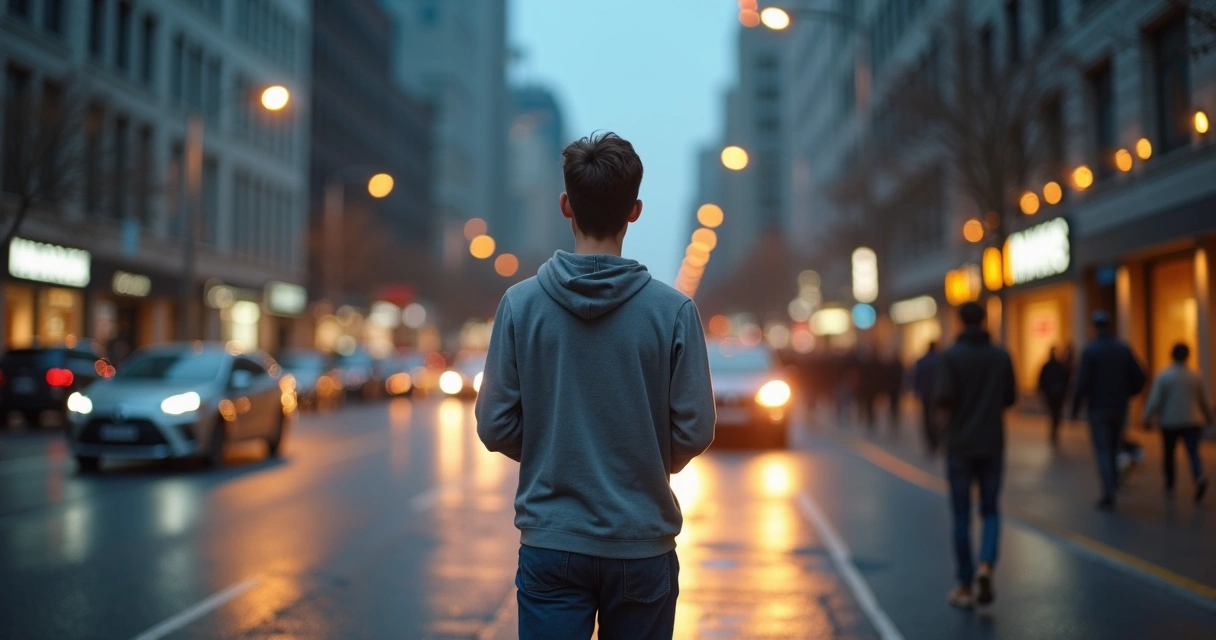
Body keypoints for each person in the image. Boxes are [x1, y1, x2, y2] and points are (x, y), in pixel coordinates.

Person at [475, 132, 716, 640]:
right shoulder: (673, 311)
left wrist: (554, 450)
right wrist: (642, 455)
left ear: (566, 205)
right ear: (635, 211)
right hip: (642, 544)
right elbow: (695, 428)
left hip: (551, 542)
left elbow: (494, 423)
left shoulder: (520, 305)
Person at [934, 302, 1016, 610]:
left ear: (959, 321)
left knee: (960, 515)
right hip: (992, 442)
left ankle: (965, 585)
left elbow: (943, 397)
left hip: (959, 445)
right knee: (991, 509)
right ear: (984, 321)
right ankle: (986, 565)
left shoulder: (951, 356)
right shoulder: (1000, 355)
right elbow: (1010, 397)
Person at [1071, 311, 1147, 511]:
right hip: (1119, 406)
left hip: (1098, 408)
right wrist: (1127, 393)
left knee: (1103, 450)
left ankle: (1108, 491)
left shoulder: (1090, 351)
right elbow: (1140, 376)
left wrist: (1075, 408)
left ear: (1094, 327)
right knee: (1114, 447)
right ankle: (1113, 482)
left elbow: (1081, 383)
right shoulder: (1122, 349)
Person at [1142, 343, 1213, 502]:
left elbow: (1155, 399)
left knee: (1169, 453)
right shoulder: (1195, 376)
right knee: (1193, 452)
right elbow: (1204, 400)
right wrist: (1209, 417)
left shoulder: (1164, 375)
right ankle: (1198, 476)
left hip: (1170, 421)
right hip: (1192, 421)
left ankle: (1169, 482)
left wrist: (1147, 417)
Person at [1037, 347, 1070, 445]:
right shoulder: (1058, 366)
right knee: (1056, 412)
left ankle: (1054, 430)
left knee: (1054, 412)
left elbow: (1041, 380)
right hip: (1056, 393)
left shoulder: (1048, 366)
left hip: (1052, 393)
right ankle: (1054, 429)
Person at [914, 342, 942, 454]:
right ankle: (936, 440)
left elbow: (917, 377)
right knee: (937, 417)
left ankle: (930, 440)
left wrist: (917, 391)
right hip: (938, 394)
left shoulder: (922, 361)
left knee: (926, 418)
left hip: (925, 394)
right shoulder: (940, 360)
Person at [884, 355, 905, 430]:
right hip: (897, 387)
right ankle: (894, 415)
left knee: (893, 402)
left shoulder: (890, 366)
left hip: (892, 387)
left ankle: (893, 415)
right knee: (895, 402)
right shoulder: (900, 365)